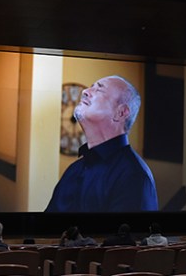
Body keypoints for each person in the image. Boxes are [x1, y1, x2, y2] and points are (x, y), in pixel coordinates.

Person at [45, 75, 158, 212]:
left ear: (121, 113)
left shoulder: (134, 176)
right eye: (91, 86)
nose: (85, 91)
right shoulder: (73, 171)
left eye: (99, 89)